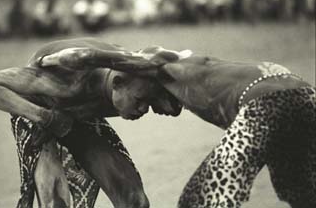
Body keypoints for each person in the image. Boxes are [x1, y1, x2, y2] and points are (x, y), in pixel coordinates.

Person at [40, 44, 316, 208]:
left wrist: (51, 60)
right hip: (305, 94)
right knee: (300, 191)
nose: (149, 109)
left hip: (265, 102)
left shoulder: (161, 66)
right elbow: (172, 108)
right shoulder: (198, 70)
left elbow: (91, 56)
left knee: (200, 199)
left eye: (146, 100)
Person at [0, 38, 181, 208]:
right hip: (37, 112)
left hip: (77, 116)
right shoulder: (67, 79)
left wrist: (166, 97)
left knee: (135, 202)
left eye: (149, 102)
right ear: (117, 84)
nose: (144, 109)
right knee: (55, 204)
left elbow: (166, 62)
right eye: (139, 101)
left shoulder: (133, 69)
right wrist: (46, 118)